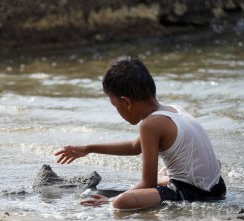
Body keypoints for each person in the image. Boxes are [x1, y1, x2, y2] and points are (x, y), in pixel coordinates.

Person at [54, 56, 226, 210]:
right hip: (217, 185)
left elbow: (148, 183)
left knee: (121, 202)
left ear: (126, 102)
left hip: (195, 193)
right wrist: (89, 148)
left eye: (115, 106)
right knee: (166, 171)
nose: (117, 110)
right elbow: (135, 146)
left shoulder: (150, 124)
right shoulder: (172, 110)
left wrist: (109, 201)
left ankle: (112, 202)